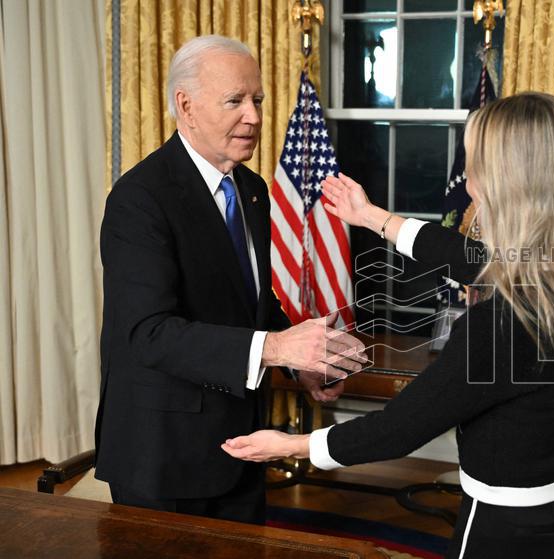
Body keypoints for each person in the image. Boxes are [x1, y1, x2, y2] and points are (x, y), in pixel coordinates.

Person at [222, 92, 554, 559]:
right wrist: (374, 218)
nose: (469, 179)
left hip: (507, 536)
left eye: (473, 165)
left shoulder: (499, 325)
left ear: (502, 183)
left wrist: (293, 445)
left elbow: (399, 428)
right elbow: (471, 258)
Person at [95, 35, 365, 525]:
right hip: (163, 454)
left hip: (241, 442)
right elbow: (148, 334)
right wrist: (278, 350)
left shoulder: (252, 189)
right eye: (235, 101)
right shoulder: (139, 199)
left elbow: (251, 304)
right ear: (186, 106)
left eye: (257, 100)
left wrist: (299, 364)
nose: (255, 117)